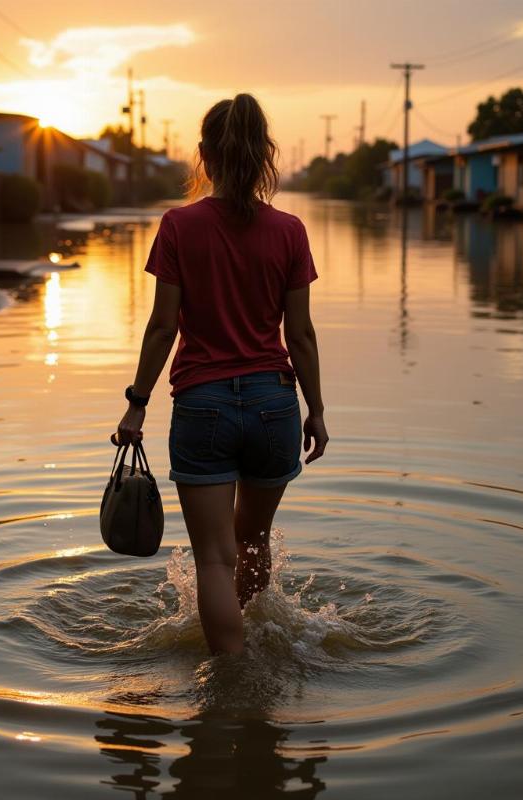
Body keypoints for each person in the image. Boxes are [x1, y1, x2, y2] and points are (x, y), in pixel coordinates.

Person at [117, 92, 328, 655]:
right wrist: (318, 411)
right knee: (252, 541)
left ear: (205, 156)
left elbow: (163, 327)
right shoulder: (289, 231)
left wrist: (137, 404)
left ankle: (229, 682)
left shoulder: (179, 226)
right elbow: (299, 335)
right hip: (274, 405)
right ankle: (259, 670)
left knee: (214, 558)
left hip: (203, 405)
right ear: (264, 155)